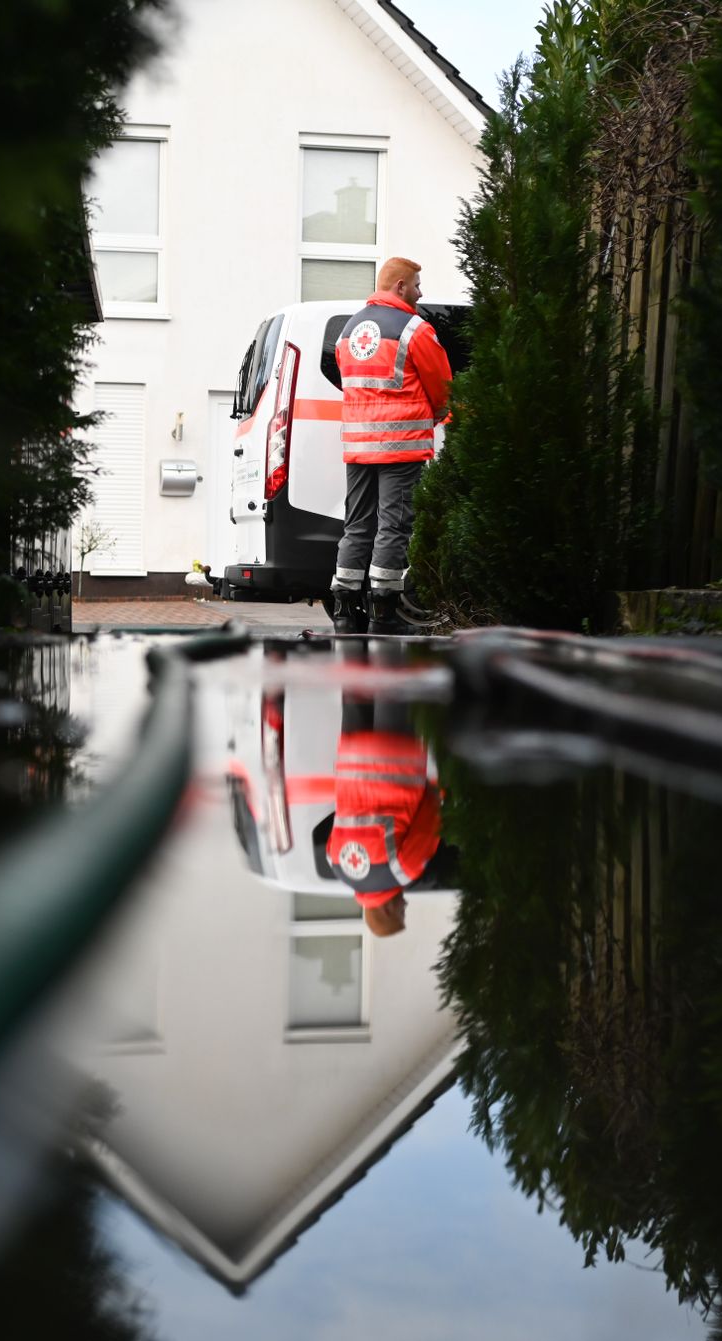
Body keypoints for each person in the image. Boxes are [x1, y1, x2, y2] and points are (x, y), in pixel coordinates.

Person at [327, 257, 453, 634]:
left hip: (358, 446)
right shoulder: (414, 329)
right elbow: (442, 388)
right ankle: (383, 615)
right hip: (400, 447)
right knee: (394, 527)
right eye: (416, 285)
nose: (420, 292)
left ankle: (345, 613)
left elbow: (350, 383)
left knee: (357, 525)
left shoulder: (349, 330)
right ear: (400, 286)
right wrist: (434, 415)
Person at [323, 641, 442, 933]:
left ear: (387, 911)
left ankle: (387, 619)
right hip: (352, 758)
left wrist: (434, 791)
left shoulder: (402, 872)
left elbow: (432, 820)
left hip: (396, 760)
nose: (405, 905)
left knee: (391, 681)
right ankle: (346, 619)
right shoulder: (336, 864)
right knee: (355, 687)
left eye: (402, 912)